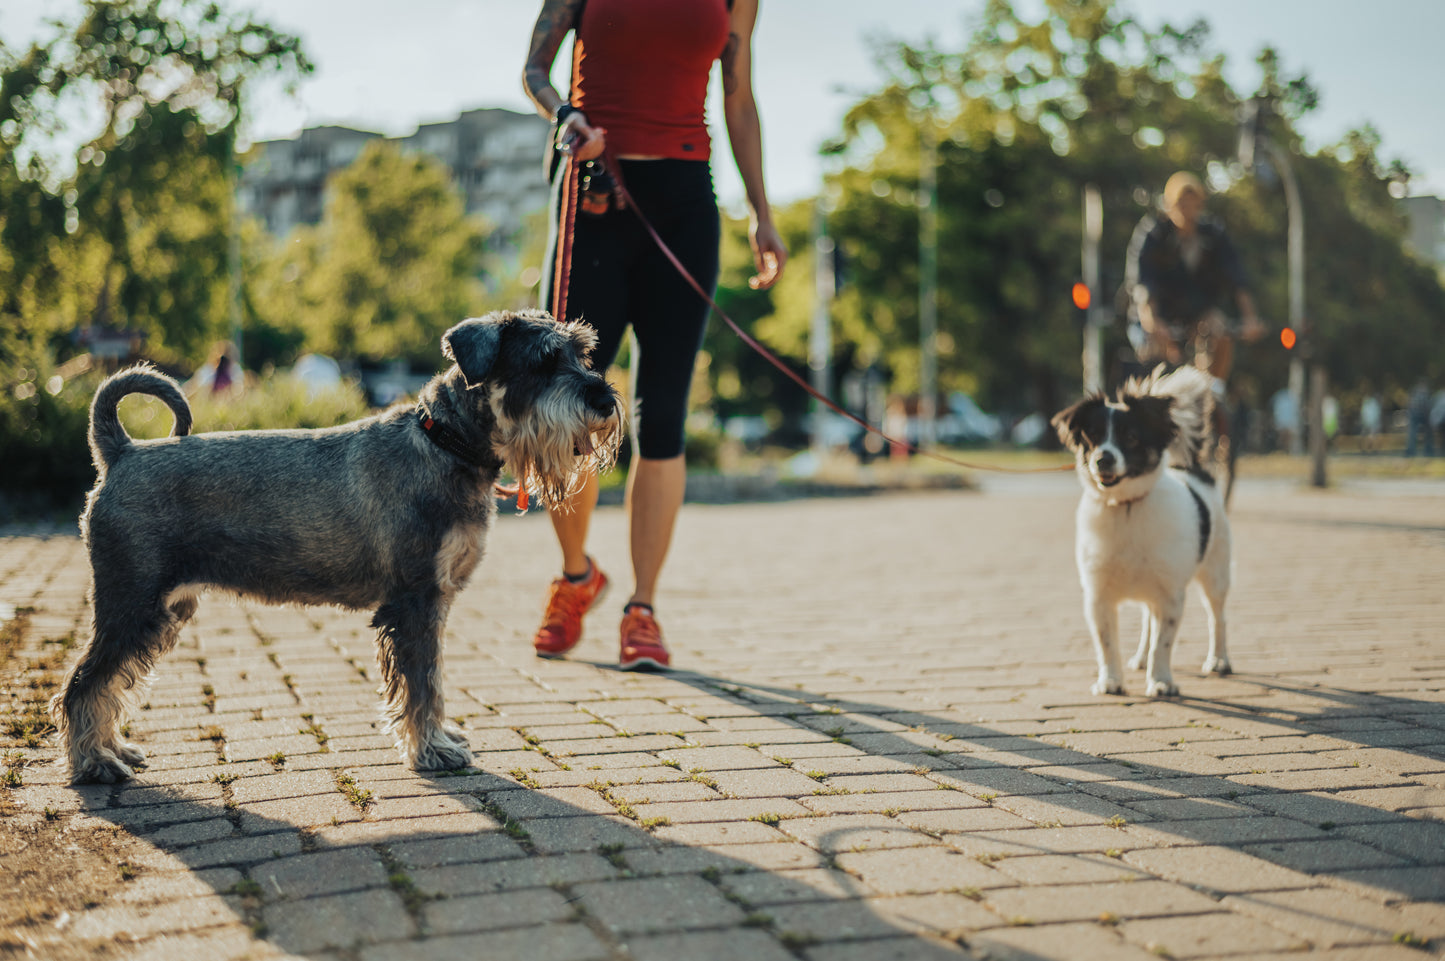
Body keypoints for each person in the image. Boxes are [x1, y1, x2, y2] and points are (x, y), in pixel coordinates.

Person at [522, 0, 787, 669]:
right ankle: (576, 575)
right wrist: (563, 113)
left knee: (660, 413)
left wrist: (760, 211)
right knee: (566, 408)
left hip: (685, 202)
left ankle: (642, 608)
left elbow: (739, 98)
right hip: (592, 194)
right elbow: (533, 69)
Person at [1126, 172, 1266, 381]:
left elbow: (1237, 276)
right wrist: (1152, 321)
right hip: (1159, 313)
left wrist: (1250, 318)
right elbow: (1143, 281)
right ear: (1169, 205)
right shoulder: (1154, 233)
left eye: (1193, 204)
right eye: (1181, 204)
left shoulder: (1213, 234)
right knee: (1154, 353)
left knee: (1220, 333)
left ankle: (1212, 392)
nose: (1187, 211)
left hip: (1197, 314)